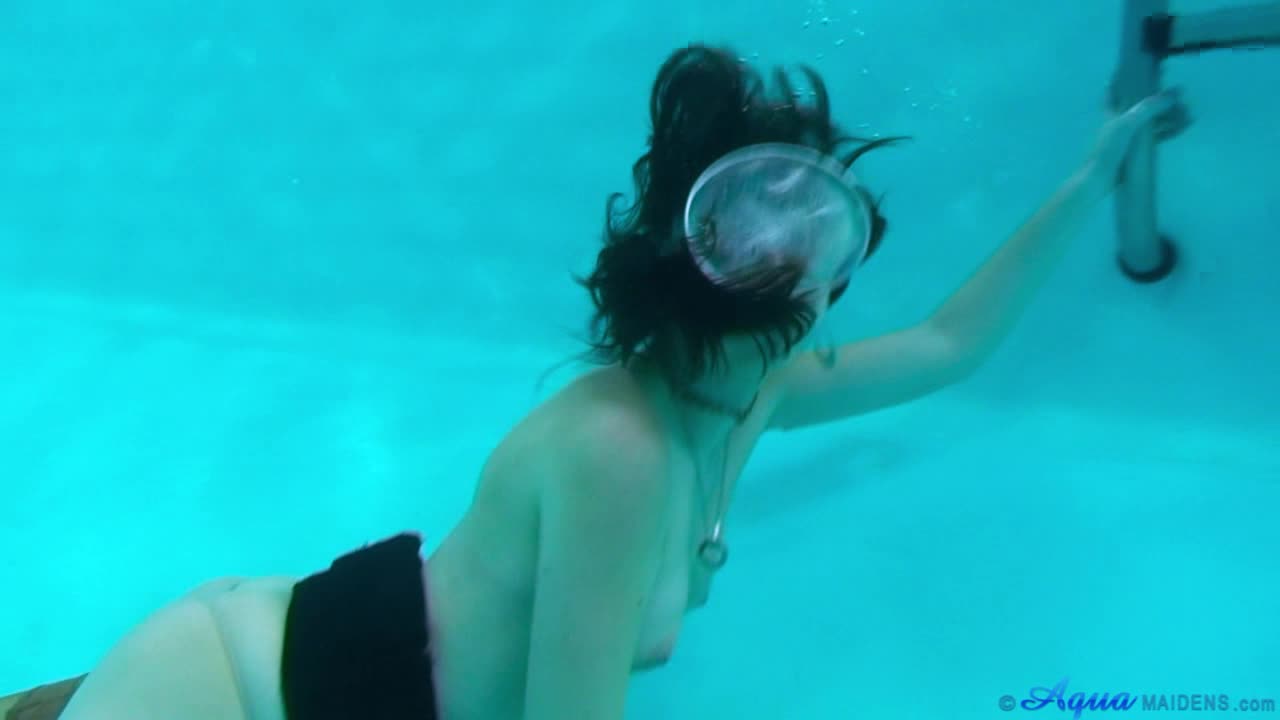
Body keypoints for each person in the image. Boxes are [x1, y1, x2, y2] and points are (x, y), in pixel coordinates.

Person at [40, 43, 1188, 720]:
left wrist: (1089, 180)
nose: (799, 263)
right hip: (229, 689)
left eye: (813, 234)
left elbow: (946, 346)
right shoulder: (618, 451)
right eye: (766, 232)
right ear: (696, 257)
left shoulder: (752, 390)